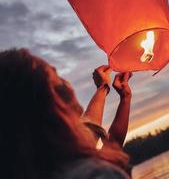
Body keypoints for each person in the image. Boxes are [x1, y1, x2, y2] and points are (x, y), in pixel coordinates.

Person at [0, 48, 130, 179]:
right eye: (57, 77)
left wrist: (116, 93)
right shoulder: (96, 174)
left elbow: (99, 136)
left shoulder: (48, 163)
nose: (68, 84)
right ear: (50, 101)